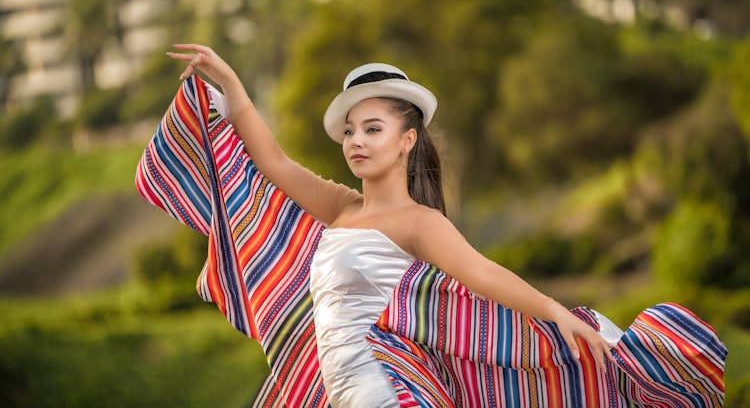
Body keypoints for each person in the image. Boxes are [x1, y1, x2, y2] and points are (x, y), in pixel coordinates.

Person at [143, 44, 726, 407]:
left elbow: (480, 273)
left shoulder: (419, 223)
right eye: (350, 131)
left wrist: (556, 317)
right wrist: (233, 87)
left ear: (406, 139)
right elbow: (272, 163)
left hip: (384, 384)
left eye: (372, 128)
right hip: (337, 390)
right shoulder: (342, 208)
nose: (356, 141)